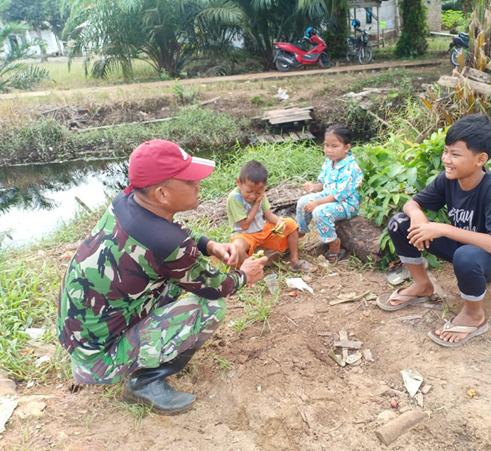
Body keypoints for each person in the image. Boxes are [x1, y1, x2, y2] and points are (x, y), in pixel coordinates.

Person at [57, 139, 267, 414]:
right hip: (97, 362)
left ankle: (140, 355)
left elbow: (171, 233)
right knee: (210, 308)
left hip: (79, 336)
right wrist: (244, 275)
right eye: (190, 181)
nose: (198, 185)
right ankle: (144, 384)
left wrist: (209, 245)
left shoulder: (125, 202)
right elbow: (216, 287)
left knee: (169, 284)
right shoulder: (168, 245)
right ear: (162, 194)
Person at [379, 115, 491, 347]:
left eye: (455, 154)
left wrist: (442, 228)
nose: (446, 160)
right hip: (463, 247)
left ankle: (475, 314)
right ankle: (422, 285)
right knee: (399, 223)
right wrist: (417, 216)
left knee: (466, 255)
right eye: (446, 152)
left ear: (480, 159)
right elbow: (411, 204)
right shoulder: (448, 180)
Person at [227, 160, 312, 272]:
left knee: (291, 224)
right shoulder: (235, 198)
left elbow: (268, 215)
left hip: (262, 230)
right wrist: (257, 203)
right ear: (238, 182)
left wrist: (279, 222)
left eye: (258, 192)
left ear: (264, 187)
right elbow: (244, 225)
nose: (253, 196)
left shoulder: (260, 194)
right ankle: (250, 272)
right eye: (249, 191)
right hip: (244, 234)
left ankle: (294, 261)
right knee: (237, 248)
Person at [296, 125, 363, 262]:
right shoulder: (329, 162)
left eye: (334, 146)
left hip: (345, 203)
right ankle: (301, 231)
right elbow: (324, 184)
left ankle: (334, 245)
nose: (329, 150)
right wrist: (313, 187)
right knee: (302, 202)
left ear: (347, 147)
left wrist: (317, 203)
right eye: (326, 145)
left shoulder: (351, 168)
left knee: (319, 212)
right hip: (327, 195)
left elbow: (339, 195)